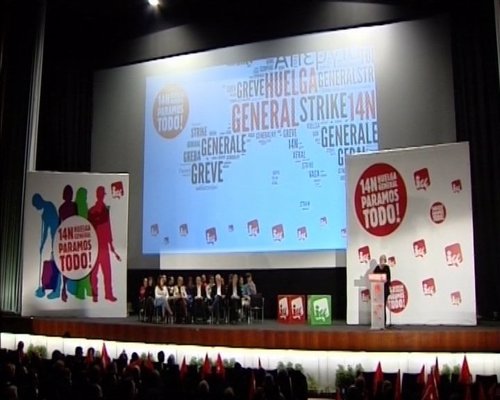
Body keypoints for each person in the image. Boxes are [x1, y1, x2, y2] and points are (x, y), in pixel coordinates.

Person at [88, 186, 121, 302]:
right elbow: (89, 229)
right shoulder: (91, 211)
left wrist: (111, 245)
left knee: (107, 272)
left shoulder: (105, 210)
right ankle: (95, 294)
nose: (102, 196)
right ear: (98, 195)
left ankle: (108, 294)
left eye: (103, 194)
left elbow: (108, 227)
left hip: (103, 246)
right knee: (95, 272)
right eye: (101, 194)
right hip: (96, 246)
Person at [373, 254, 391, 326]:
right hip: (378, 290)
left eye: (383, 259)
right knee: (378, 307)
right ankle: (377, 322)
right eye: (380, 259)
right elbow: (373, 277)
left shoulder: (387, 268)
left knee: (383, 306)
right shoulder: (377, 268)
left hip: (385, 290)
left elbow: (388, 278)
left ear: (385, 260)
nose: (381, 260)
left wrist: (383, 279)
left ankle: (383, 323)